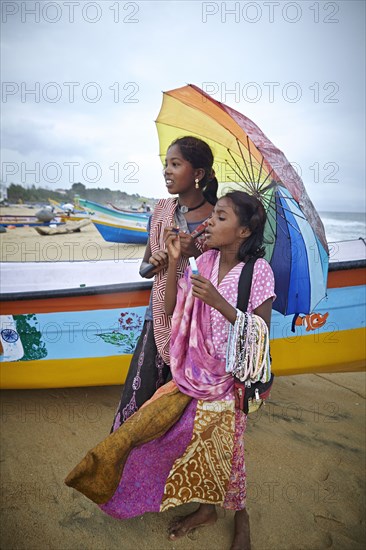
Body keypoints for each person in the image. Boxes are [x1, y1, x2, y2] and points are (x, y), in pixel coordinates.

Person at [65, 191, 276, 550]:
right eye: (214, 215)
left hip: (227, 381)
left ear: (243, 232)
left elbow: (261, 334)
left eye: (221, 217)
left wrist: (220, 303)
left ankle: (237, 515)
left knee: (225, 449)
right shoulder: (205, 261)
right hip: (191, 373)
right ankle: (193, 504)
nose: (210, 222)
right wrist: (176, 261)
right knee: (159, 436)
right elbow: (171, 307)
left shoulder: (259, 272)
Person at [111, 136, 218, 430]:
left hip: (196, 328)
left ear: (197, 174)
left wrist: (195, 252)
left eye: (175, 164)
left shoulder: (218, 218)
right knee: (138, 400)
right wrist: (156, 261)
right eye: (165, 165)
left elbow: (223, 276)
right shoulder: (160, 212)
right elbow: (144, 270)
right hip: (157, 317)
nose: (167, 171)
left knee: (176, 412)